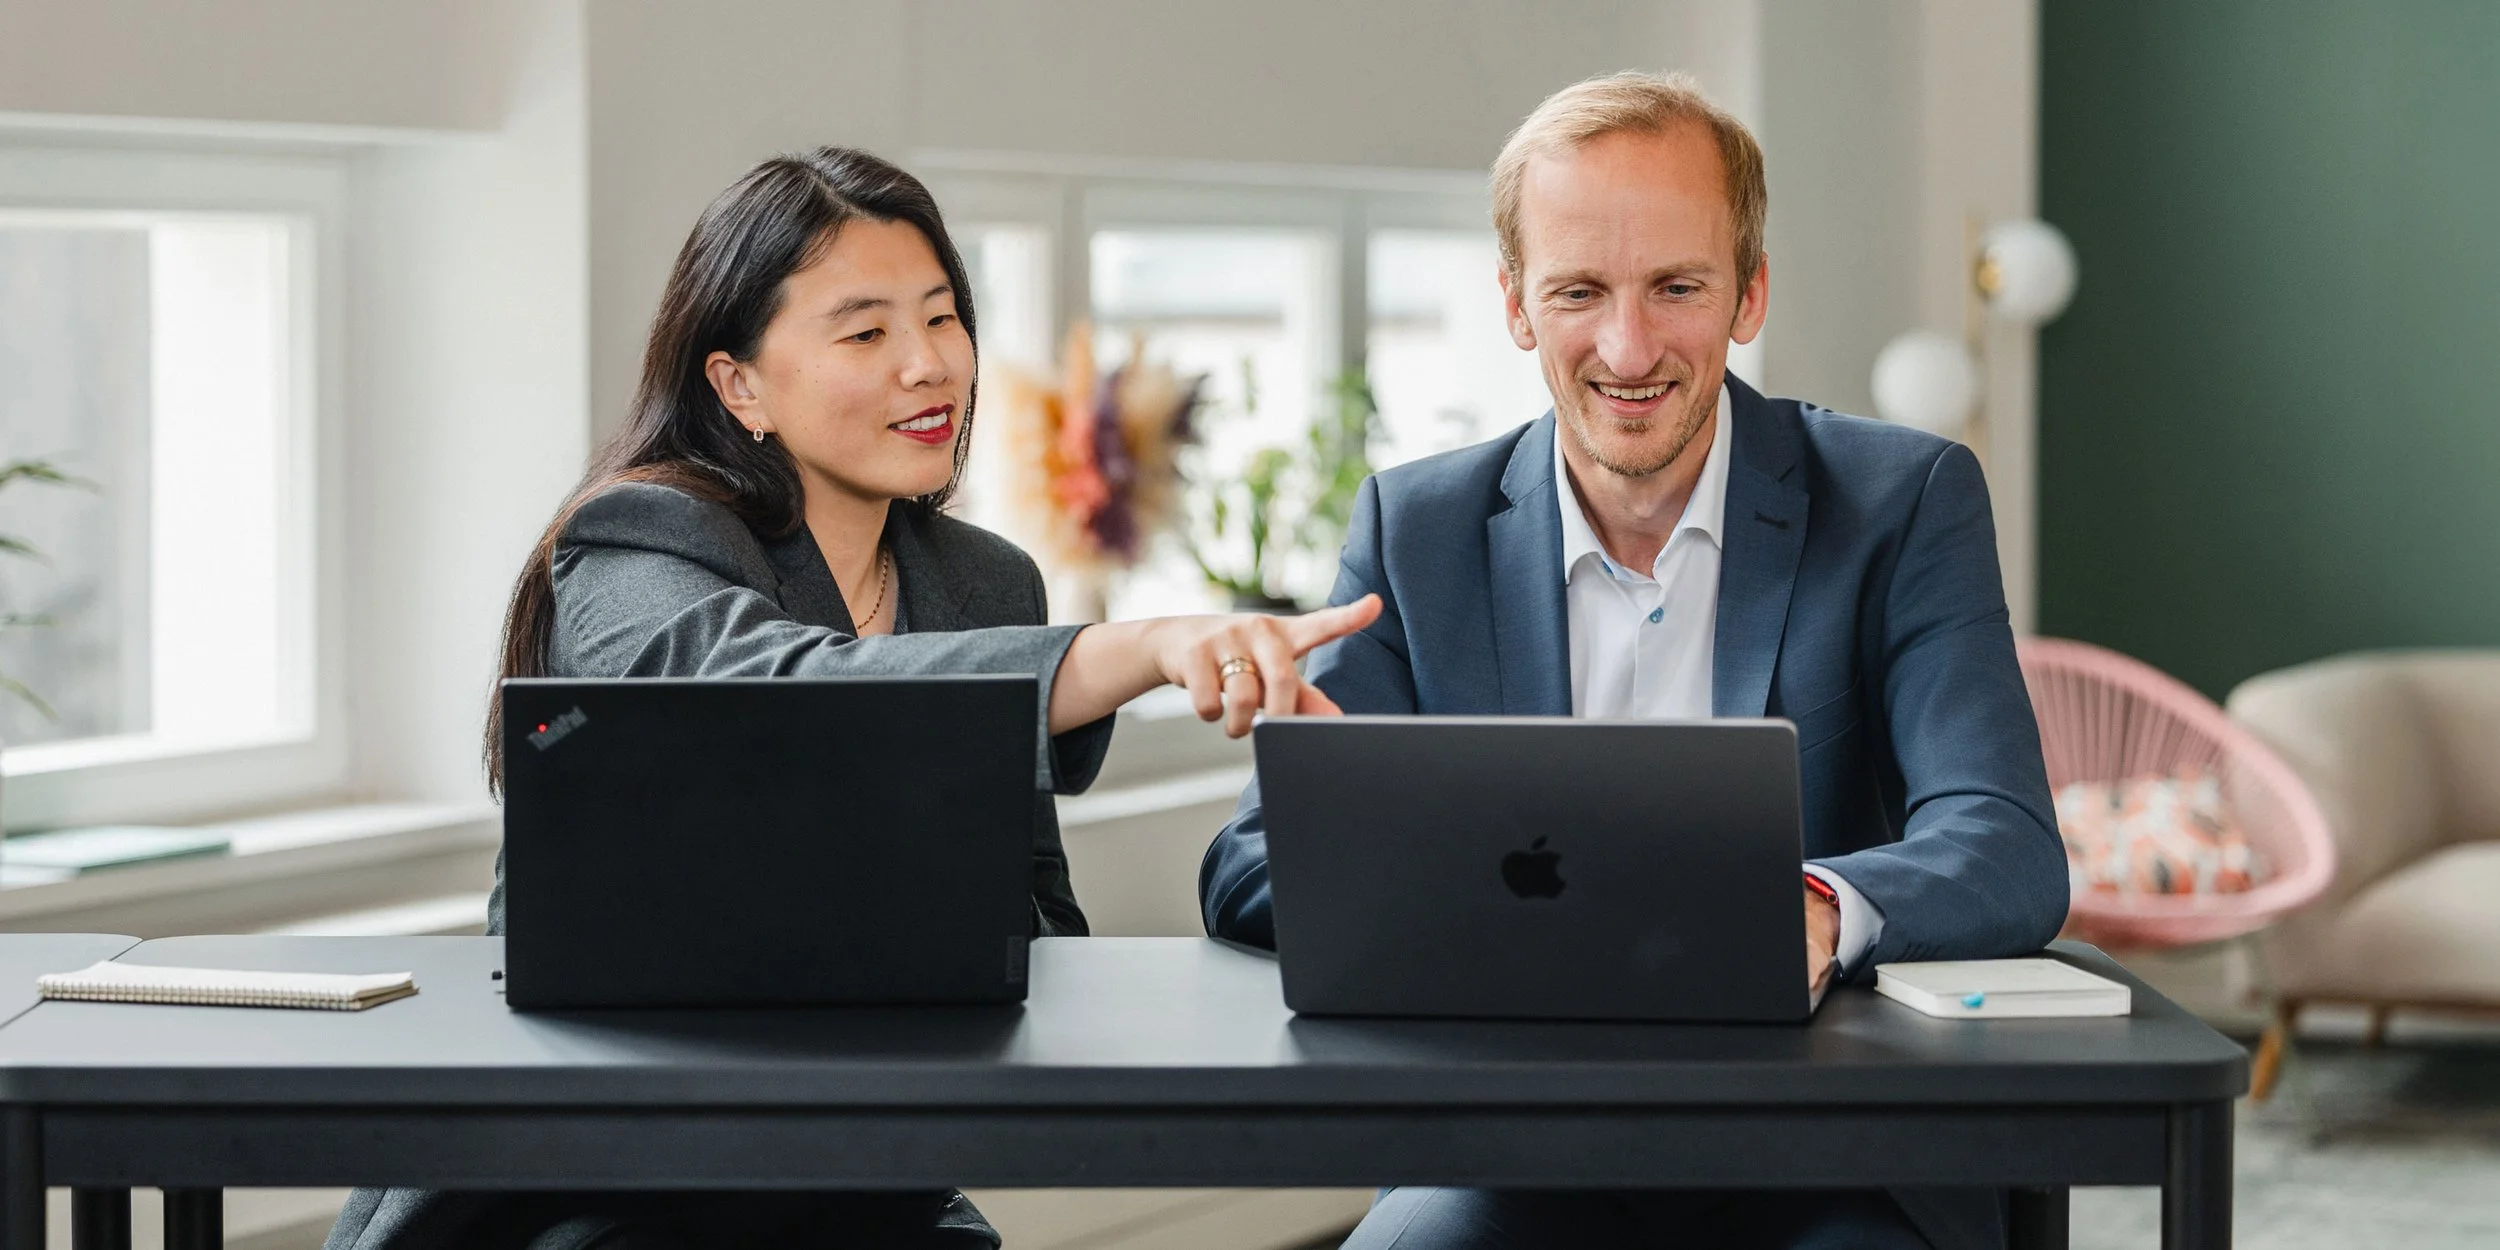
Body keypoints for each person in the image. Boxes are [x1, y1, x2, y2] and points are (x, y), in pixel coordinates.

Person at [326, 146, 1377, 1250]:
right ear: (738, 385)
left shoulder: (983, 583)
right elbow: (780, 699)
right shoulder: (638, 537)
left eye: (941, 317)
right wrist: (1146, 643)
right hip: (590, 1181)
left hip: (855, 1174)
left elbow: (1038, 922)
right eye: (866, 332)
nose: (928, 365)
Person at [1197, 72, 2066, 1250]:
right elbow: (1248, 864)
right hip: (1515, 1155)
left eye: (1676, 287)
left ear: (1748, 292)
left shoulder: (1902, 499)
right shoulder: (1416, 528)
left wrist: (1809, 906)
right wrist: (1379, 848)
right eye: (1577, 292)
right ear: (1514, 303)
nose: (1628, 345)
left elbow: (2003, 843)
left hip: (1833, 1151)